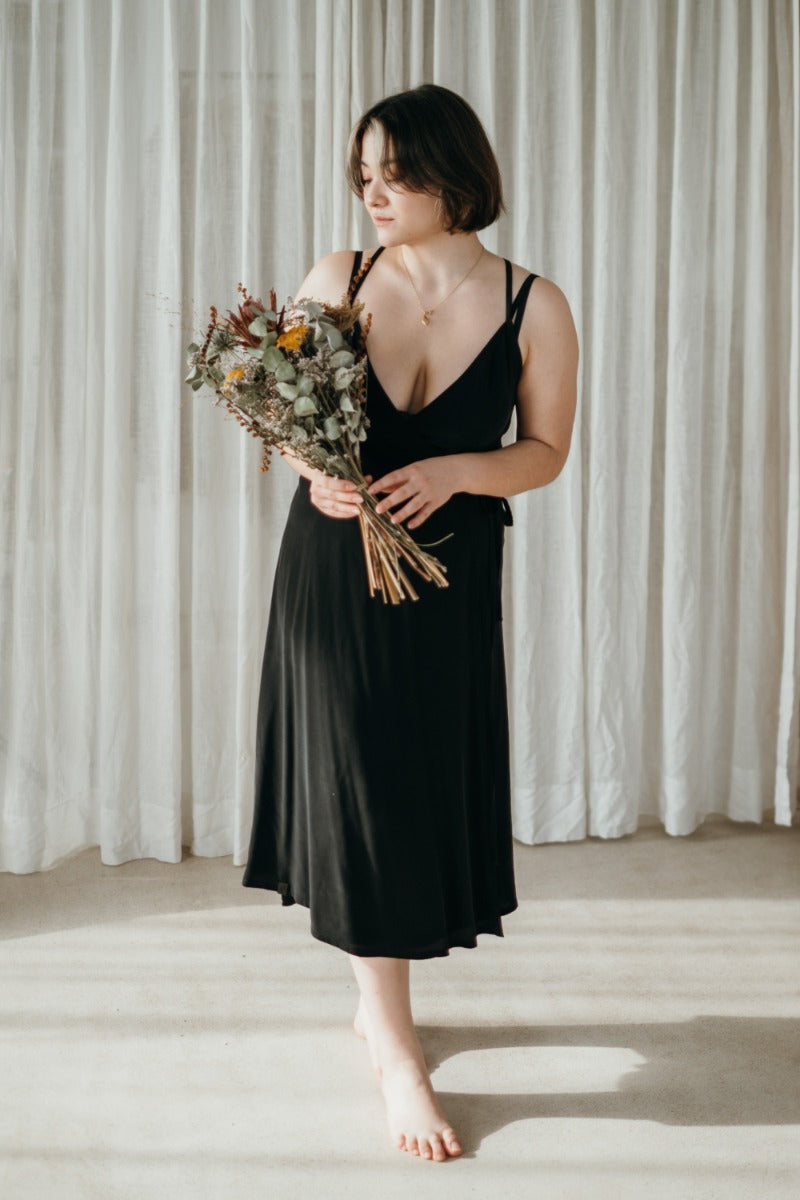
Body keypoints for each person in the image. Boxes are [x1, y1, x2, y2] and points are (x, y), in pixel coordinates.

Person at [243, 83, 579, 1162]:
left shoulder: (534, 302)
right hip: (335, 570)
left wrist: (449, 470)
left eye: (394, 170)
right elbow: (278, 410)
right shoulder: (333, 280)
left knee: (414, 776)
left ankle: (376, 1006)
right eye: (362, 173)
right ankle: (393, 1044)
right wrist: (314, 470)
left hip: (448, 579)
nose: (372, 191)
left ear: (454, 173)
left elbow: (543, 452)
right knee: (362, 782)